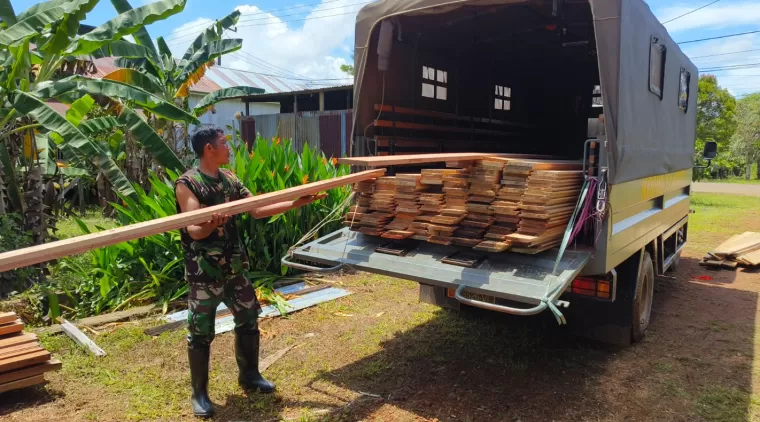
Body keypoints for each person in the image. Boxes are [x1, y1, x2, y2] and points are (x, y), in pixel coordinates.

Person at [175, 126, 323, 418]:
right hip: (204, 271)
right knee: (201, 331)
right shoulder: (188, 183)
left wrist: (296, 203)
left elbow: (257, 208)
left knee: (248, 317)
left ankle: (250, 375)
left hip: (234, 267)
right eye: (223, 143)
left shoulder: (230, 179)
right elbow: (193, 229)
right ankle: (200, 394)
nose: (228, 148)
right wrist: (211, 223)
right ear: (208, 149)